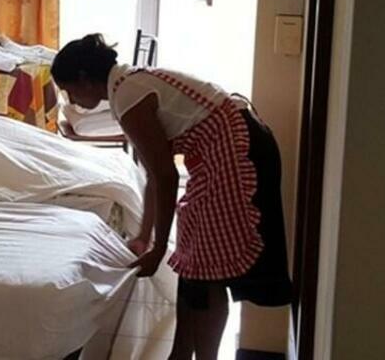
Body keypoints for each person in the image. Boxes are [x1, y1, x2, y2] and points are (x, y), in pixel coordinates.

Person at [51, 34, 291, 360]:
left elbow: (165, 176)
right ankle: (180, 353)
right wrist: (143, 237)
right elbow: (154, 174)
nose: (72, 100)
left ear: (84, 78)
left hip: (236, 150)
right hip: (234, 142)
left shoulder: (128, 95)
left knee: (205, 268)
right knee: (195, 262)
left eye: (69, 90)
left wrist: (158, 247)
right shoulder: (127, 85)